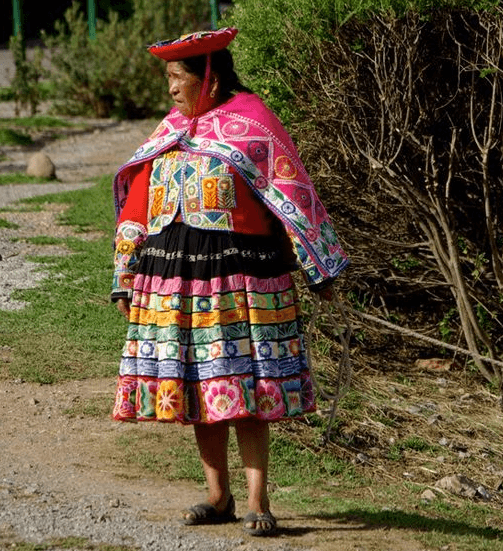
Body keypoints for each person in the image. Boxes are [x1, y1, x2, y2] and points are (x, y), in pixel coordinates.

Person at [110, 27, 348, 537]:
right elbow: (137, 203)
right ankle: (218, 495)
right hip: (175, 275)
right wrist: (125, 274)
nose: (171, 89)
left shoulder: (252, 123)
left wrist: (319, 268)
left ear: (209, 78)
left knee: (248, 388)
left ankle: (259, 502)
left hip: (242, 276)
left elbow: (291, 194)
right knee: (200, 387)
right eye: (169, 79)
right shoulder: (172, 128)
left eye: (178, 78)